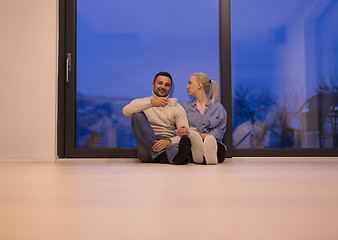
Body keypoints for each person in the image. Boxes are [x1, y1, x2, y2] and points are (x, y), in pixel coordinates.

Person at [122, 72, 191, 165]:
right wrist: (152, 103)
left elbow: (184, 133)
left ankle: (176, 158)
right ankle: (163, 156)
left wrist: (169, 141)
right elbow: (125, 111)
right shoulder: (142, 102)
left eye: (167, 85)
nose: (163, 87)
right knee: (137, 115)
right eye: (160, 83)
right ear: (153, 84)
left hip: (166, 144)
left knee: (173, 146)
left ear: (170, 89)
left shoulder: (177, 107)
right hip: (147, 148)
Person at [177, 72, 227, 164]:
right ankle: (200, 154)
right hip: (191, 145)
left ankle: (202, 155)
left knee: (220, 148)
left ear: (199, 85)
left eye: (190, 83)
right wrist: (180, 132)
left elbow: (219, 133)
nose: (187, 86)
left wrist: (202, 136)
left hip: (214, 145)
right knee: (185, 144)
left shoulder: (218, 108)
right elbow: (177, 128)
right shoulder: (184, 107)